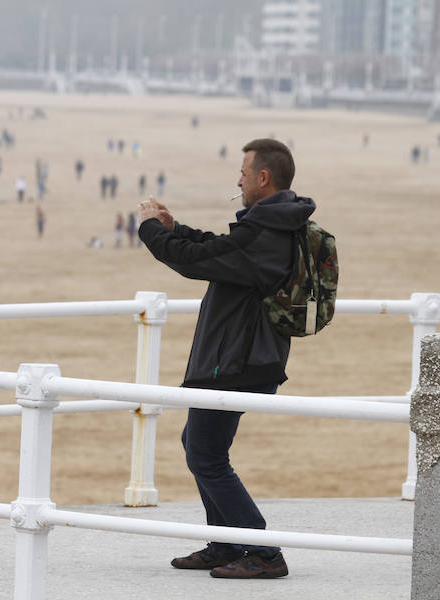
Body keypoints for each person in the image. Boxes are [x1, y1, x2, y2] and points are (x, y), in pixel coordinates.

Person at [137, 138, 310, 580]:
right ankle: (227, 542)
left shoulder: (266, 233)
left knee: (207, 454)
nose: (239, 179)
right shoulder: (270, 227)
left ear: (263, 177)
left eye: (244, 172)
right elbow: (216, 250)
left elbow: (196, 262)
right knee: (200, 447)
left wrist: (151, 230)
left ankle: (263, 550)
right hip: (237, 357)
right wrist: (175, 228)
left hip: (235, 361)